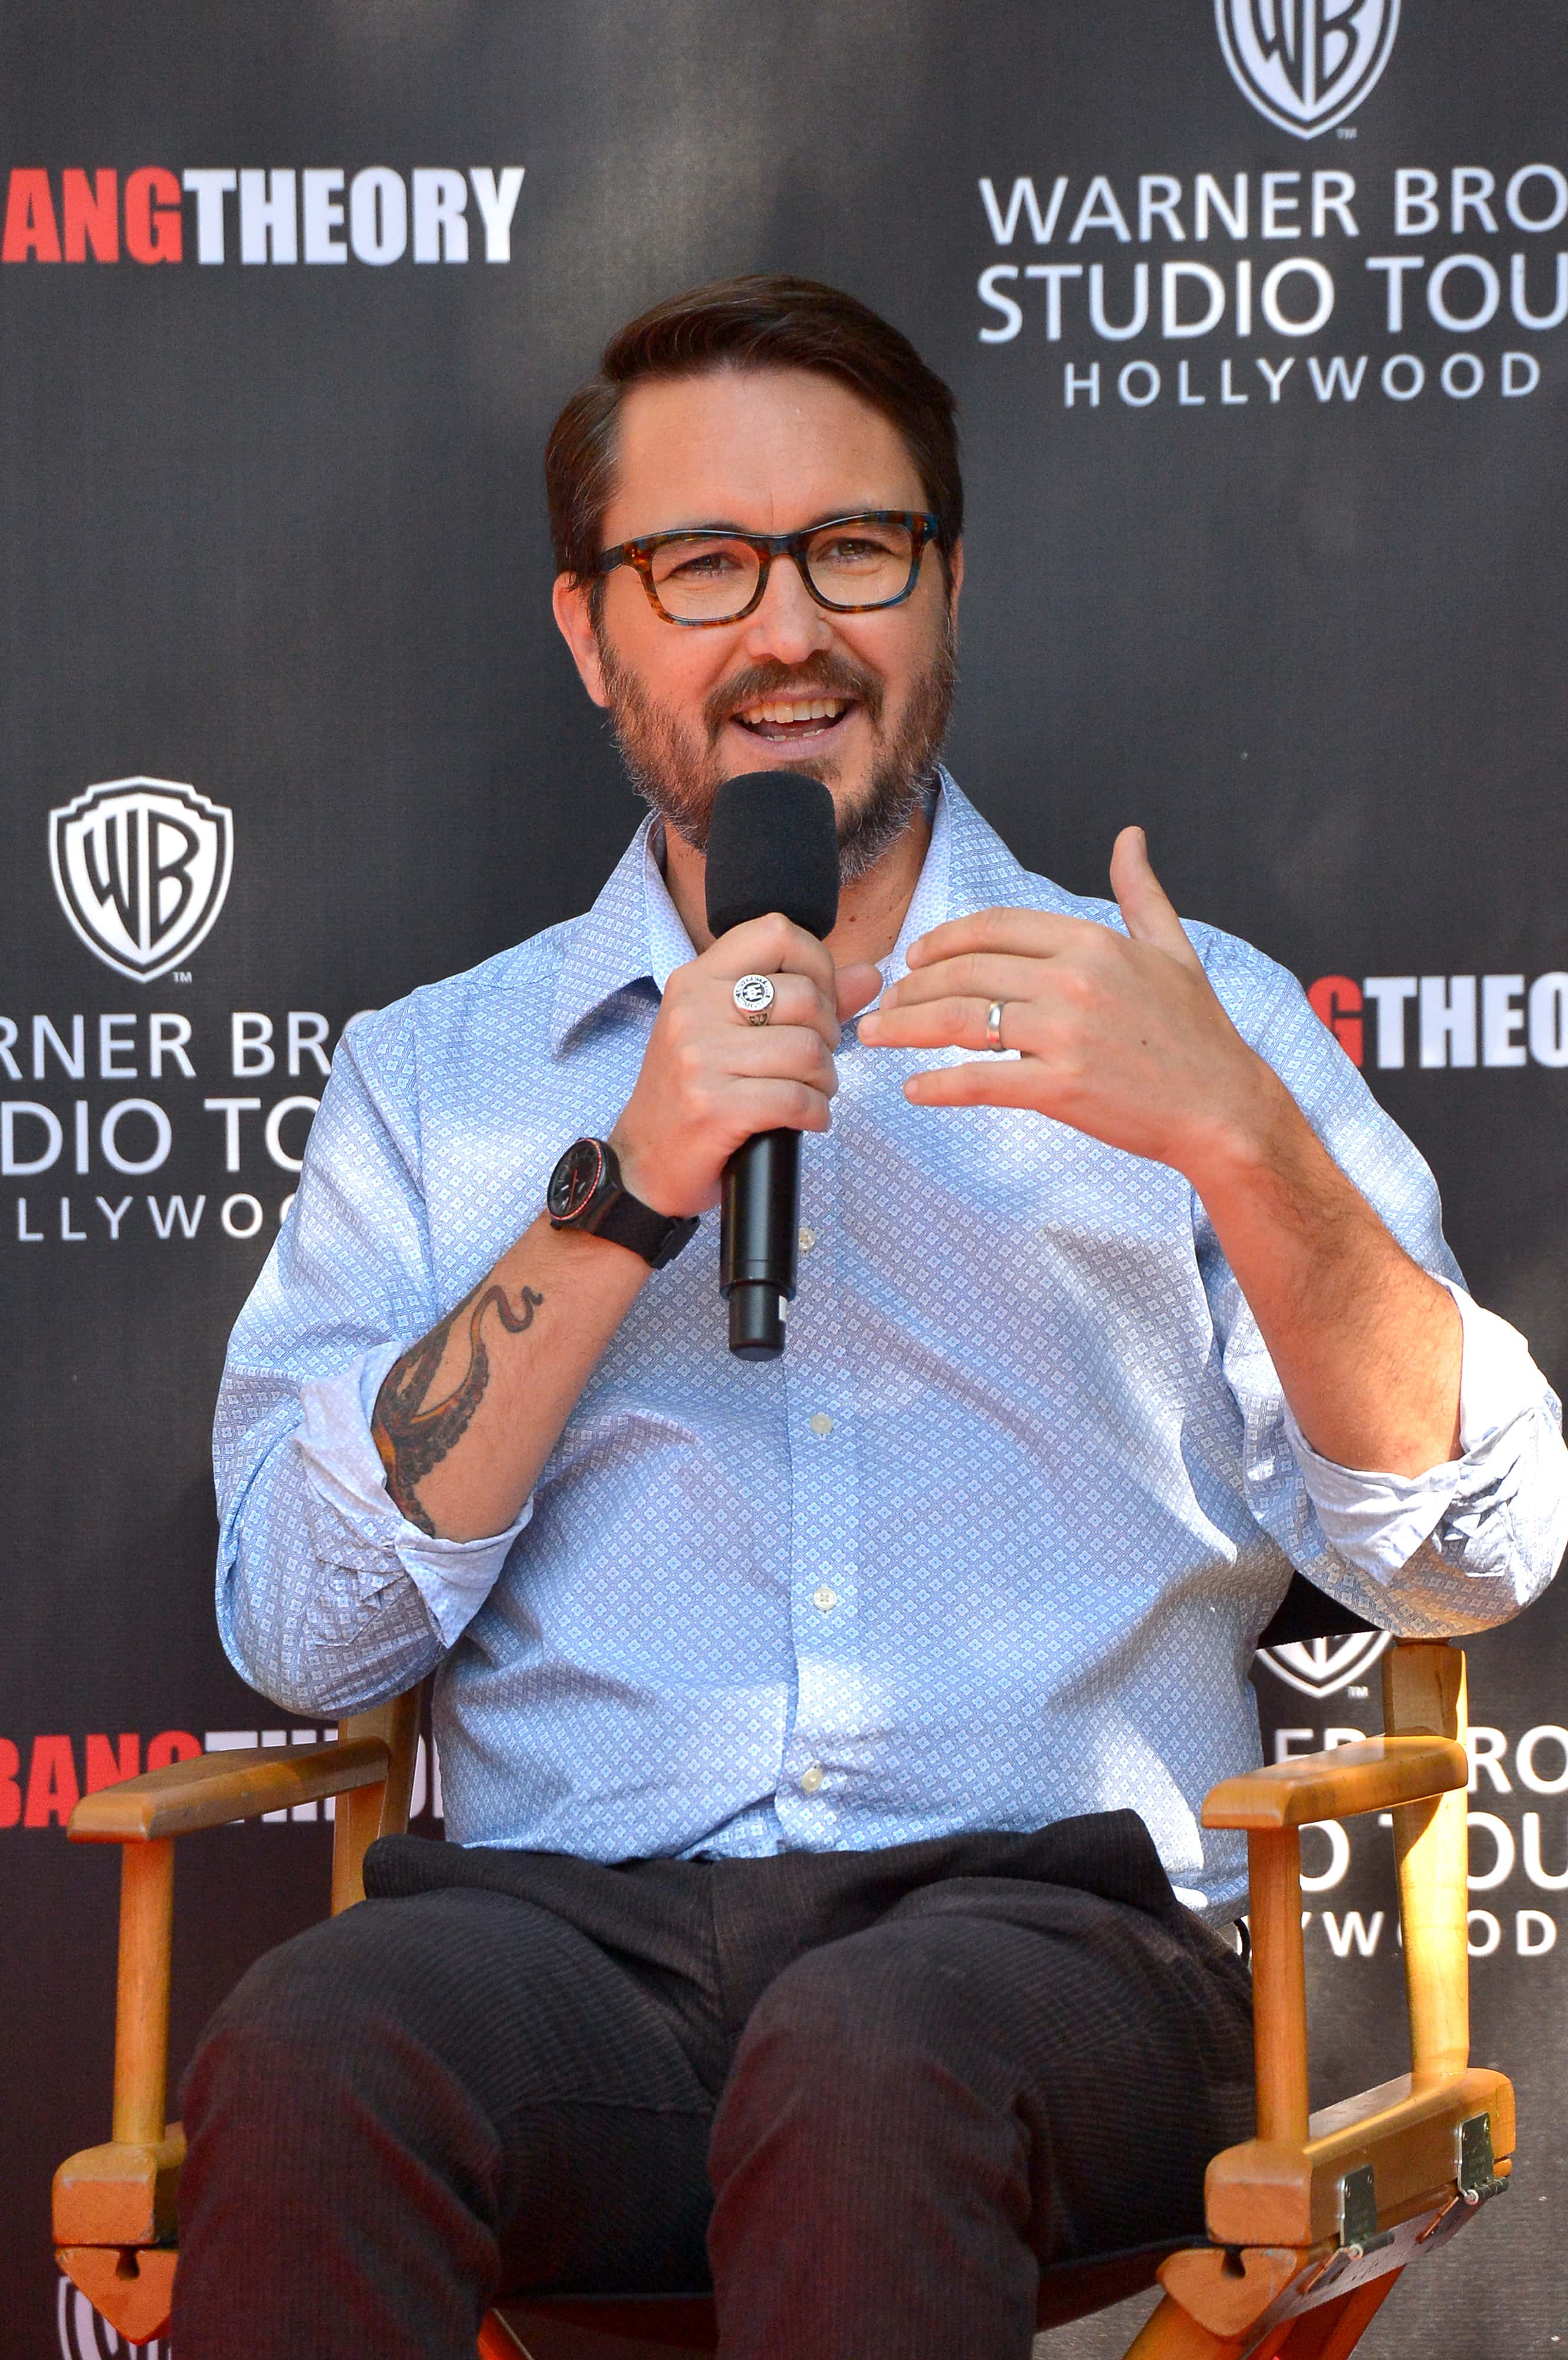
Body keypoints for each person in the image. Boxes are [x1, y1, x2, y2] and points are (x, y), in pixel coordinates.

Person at [176, 275, 1568, 2360]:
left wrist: (1239, 1144)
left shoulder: (1194, 1020)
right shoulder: (439, 1076)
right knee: (320, 2045)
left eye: (852, 548)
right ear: (590, 631)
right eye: (699, 565)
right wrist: (626, 1190)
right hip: (579, 1959)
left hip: (1055, 1963)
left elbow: (1471, 1557)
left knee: (873, 2044)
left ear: (943, 589)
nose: (786, 629)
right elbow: (305, 1628)